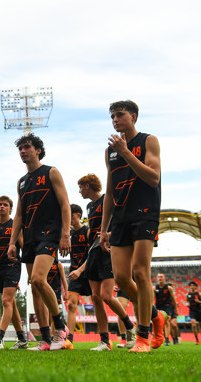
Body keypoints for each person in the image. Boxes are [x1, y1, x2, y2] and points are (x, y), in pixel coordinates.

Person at [99, 100, 165, 353]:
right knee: (123, 278)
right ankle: (156, 315)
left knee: (140, 272)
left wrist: (127, 153)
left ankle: (143, 337)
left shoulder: (149, 141)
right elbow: (109, 191)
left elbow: (153, 177)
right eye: (113, 116)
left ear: (133, 117)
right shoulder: (109, 152)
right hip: (120, 217)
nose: (115, 120)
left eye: (120, 115)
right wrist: (103, 229)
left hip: (145, 213)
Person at [7, 133, 70, 351]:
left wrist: (65, 235)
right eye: (20, 149)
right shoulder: (22, 182)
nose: (23, 151)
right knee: (35, 288)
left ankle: (60, 328)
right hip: (30, 238)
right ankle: (45, 339)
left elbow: (65, 205)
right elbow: (19, 216)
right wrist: (12, 243)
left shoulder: (51, 172)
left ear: (38, 150)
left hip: (49, 233)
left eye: (27, 147)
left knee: (38, 279)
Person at [79, 173, 137, 351]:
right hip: (93, 252)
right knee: (95, 298)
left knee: (106, 296)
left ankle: (129, 327)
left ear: (88, 186)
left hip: (109, 252)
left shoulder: (108, 200)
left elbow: (121, 221)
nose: (79, 191)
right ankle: (105, 341)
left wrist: (111, 234)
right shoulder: (89, 206)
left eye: (81, 187)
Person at [0, 195, 28, 349]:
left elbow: (24, 247)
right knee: (7, 302)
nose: (1, 207)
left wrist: (29, 272)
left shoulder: (15, 226)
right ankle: (22, 339)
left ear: (11, 208)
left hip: (13, 267)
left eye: (5, 205)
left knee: (5, 301)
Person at [64, 204, 91, 350]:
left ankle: (106, 339)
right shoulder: (68, 234)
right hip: (74, 273)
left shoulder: (87, 232)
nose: (69, 218)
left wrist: (80, 270)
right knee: (71, 305)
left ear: (78, 215)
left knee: (99, 301)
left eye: (71, 215)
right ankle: (69, 340)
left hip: (89, 271)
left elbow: (93, 254)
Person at [154, 274, 178, 345]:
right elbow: (152, 299)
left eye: (161, 277)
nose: (160, 278)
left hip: (168, 307)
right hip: (159, 307)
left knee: (172, 324)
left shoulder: (169, 288)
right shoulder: (155, 288)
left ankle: (168, 340)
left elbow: (174, 300)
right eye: (159, 277)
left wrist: (176, 309)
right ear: (157, 279)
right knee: (164, 323)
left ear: (164, 278)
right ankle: (172, 338)